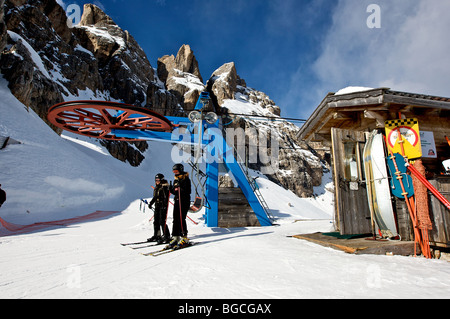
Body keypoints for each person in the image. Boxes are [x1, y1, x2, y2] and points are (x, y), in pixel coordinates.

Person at [167, 163, 192, 249]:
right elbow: (175, 192)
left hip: (184, 201)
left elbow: (188, 191)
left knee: (181, 218)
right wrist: (171, 189)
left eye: (176, 171)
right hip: (177, 201)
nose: (175, 173)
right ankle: (175, 236)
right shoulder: (176, 180)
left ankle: (184, 237)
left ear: (180, 170)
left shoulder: (186, 179)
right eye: (174, 171)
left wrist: (180, 188)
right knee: (175, 218)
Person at [148, 174, 171, 244]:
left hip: (162, 206)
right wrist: (151, 203)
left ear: (161, 180)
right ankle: (157, 235)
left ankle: (166, 236)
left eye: (158, 180)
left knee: (162, 221)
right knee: (156, 221)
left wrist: (164, 205)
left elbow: (166, 197)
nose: (157, 181)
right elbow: (155, 197)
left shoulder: (164, 187)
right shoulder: (157, 187)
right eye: (156, 180)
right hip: (157, 205)